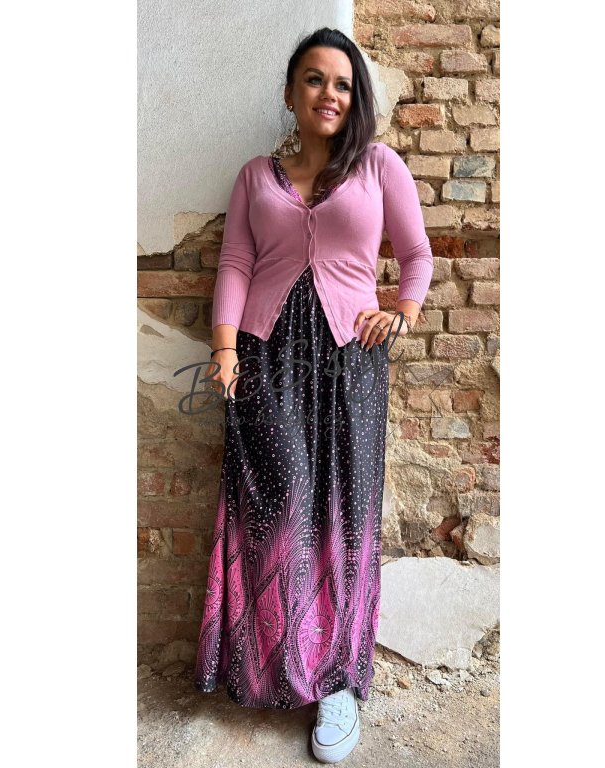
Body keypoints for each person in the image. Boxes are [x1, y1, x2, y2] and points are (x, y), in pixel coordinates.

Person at [193, 27, 433, 764]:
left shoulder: (380, 166)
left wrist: (402, 312)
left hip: (351, 360)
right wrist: (225, 349)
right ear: (291, 90)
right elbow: (235, 262)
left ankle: (336, 682)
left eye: (343, 83)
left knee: (345, 511)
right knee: (283, 500)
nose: (330, 94)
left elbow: (416, 254)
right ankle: (273, 660)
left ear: (355, 98)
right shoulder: (254, 176)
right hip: (266, 357)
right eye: (315, 79)